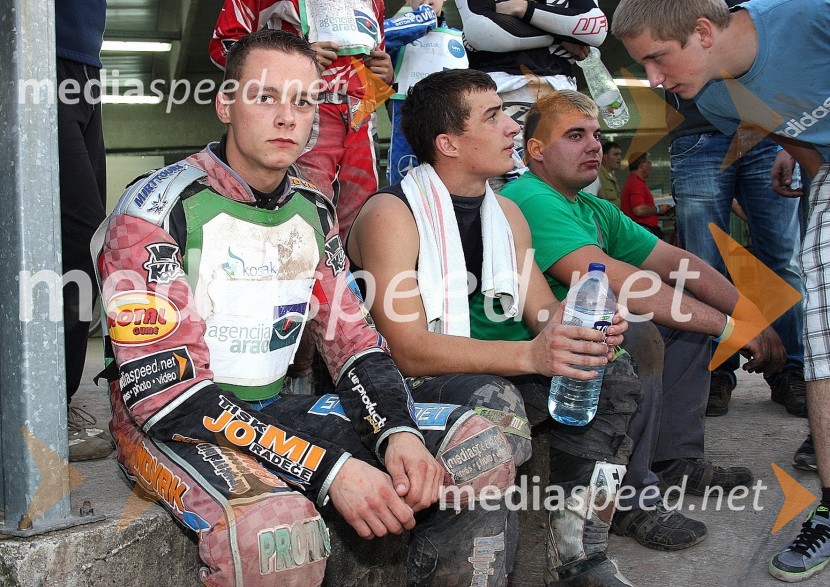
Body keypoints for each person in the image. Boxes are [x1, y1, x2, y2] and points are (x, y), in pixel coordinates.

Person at [93, 30, 519, 587]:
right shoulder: (153, 209)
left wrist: (398, 431)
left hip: (273, 407)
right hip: (171, 426)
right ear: (225, 105)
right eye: (265, 97)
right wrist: (330, 471)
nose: (286, 118)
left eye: (303, 102)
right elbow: (165, 398)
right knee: (278, 534)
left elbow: (354, 341)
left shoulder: (313, 208)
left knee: (475, 449)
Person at [346, 67, 662, 586]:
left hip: (470, 371)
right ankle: (459, 568)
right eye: (493, 117)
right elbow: (406, 349)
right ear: (448, 143)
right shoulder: (392, 213)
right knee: (496, 401)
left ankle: (579, 554)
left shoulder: (507, 214)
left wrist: (585, 325)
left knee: (612, 374)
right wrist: (532, 356)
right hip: (397, 392)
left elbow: (542, 312)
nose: (513, 127)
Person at [498, 89, 787, 559]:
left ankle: (674, 458)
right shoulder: (530, 196)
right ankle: (629, 499)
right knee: (639, 329)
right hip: (527, 346)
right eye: (576, 136)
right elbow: (615, 279)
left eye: (596, 135)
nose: (594, 145)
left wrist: (751, 318)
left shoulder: (591, 207)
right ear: (537, 150)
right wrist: (730, 328)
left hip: (577, 336)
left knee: (685, 317)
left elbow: (679, 263)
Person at [612, 0, 830, 580]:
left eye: (657, 59)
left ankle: (787, 370)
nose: (652, 81)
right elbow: (787, 127)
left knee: (784, 264)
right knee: (821, 320)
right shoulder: (709, 99)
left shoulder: (809, 17)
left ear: (704, 32)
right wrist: (810, 169)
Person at [665, 88, 805, 418]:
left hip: (769, 129)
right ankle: (715, 372)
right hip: (698, 129)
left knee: (782, 261)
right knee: (703, 265)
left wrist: (792, 135)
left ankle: (790, 370)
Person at [210, 0, 393, 241]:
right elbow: (226, 44)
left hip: (361, 114)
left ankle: (344, 268)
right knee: (302, 215)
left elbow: (377, 61)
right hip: (304, 106)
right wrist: (294, 61)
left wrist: (386, 74)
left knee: (362, 220)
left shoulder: (375, 2)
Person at [455, 0, 607, 188]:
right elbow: (482, 29)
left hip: (562, 92)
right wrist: (561, 35)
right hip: (501, 90)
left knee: (567, 185)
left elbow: (594, 29)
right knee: (499, 190)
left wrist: (523, 8)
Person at [56, 0, 113, 461]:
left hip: (83, 65)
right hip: (33, 54)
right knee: (78, 238)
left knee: (89, 240)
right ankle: (48, 404)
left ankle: (59, 399)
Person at [383, 0, 468, 184]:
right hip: (406, 129)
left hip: (448, 124)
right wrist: (421, 20)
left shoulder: (460, 37)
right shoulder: (394, 32)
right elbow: (376, 38)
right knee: (403, 188)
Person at [620, 152, 672, 239]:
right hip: (643, 230)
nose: (650, 166)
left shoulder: (634, 181)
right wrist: (658, 209)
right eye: (649, 162)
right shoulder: (636, 183)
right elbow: (639, 210)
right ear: (642, 165)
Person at [595, 140, 623, 207]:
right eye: (615, 154)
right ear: (605, 157)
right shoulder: (596, 176)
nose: (619, 158)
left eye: (620, 155)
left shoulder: (611, 175)